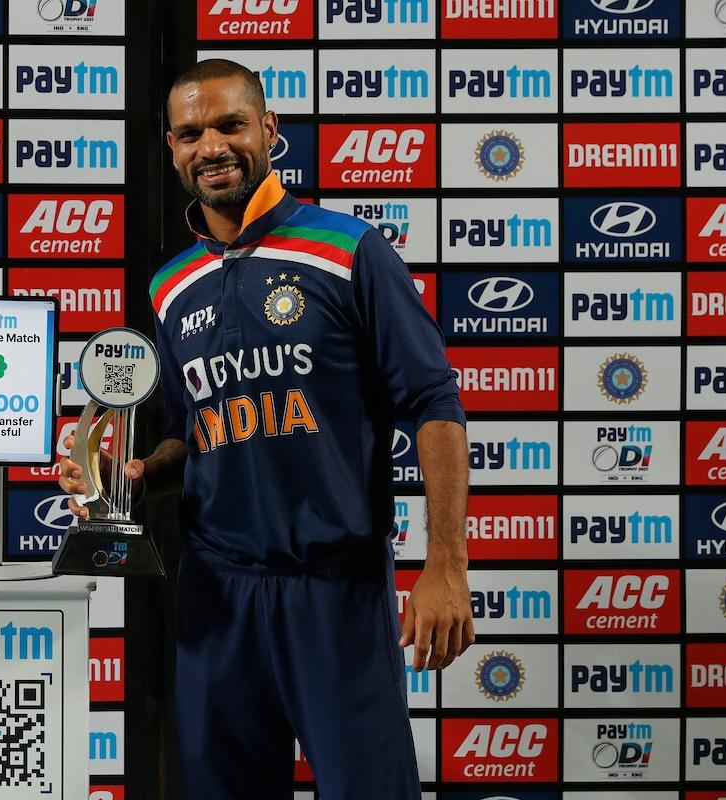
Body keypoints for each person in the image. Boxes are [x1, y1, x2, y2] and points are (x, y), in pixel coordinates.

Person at [58, 58, 474, 800]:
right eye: (190, 134)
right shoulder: (170, 286)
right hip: (217, 593)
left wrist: (446, 564)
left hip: (334, 589)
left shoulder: (349, 251)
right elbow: (200, 434)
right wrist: (140, 475)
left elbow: (435, 401)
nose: (210, 146)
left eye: (228, 125)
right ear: (172, 148)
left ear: (269, 131)